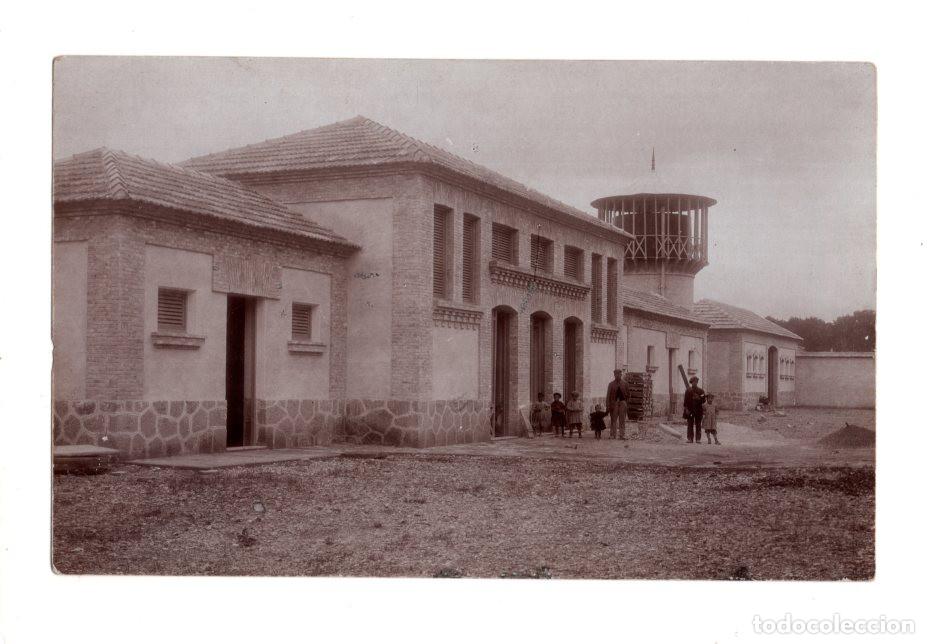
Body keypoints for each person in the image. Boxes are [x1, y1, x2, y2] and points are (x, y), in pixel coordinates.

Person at [605, 368, 630, 440]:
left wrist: (626, 404)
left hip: (622, 404)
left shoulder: (625, 384)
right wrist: (608, 406)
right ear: (614, 375)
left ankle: (622, 435)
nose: (617, 376)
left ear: (621, 375)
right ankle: (613, 435)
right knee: (613, 420)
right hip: (614, 404)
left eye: (619, 374)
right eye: (616, 374)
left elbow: (628, 395)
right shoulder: (611, 384)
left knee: (622, 420)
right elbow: (608, 396)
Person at [683, 376, 706, 444]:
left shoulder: (701, 391)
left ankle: (698, 439)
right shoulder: (688, 391)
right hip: (690, 410)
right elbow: (685, 401)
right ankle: (690, 438)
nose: (695, 383)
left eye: (696, 382)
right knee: (690, 424)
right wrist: (686, 409)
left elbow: (704, 399)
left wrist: (698, 398)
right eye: (693, 382)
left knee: (698, 425)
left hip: (698, 411)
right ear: (691, 382)